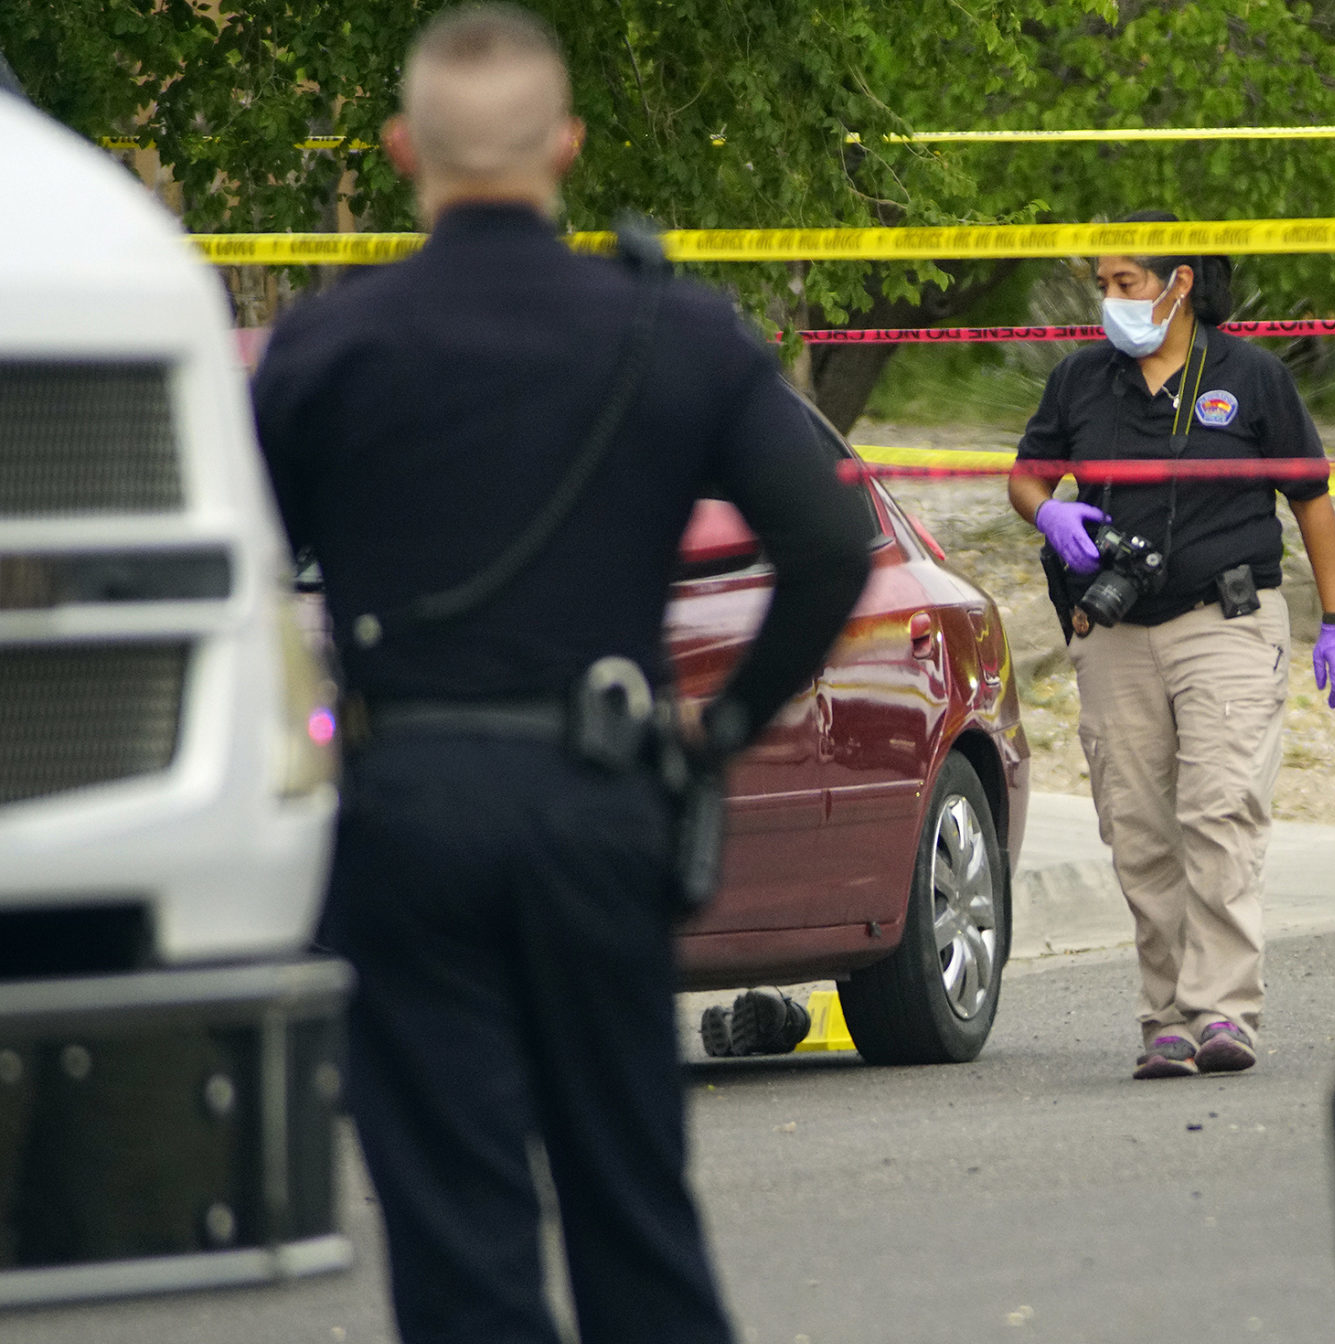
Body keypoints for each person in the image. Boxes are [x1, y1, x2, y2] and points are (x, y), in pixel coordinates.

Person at [251, 8, 875, 1342]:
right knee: (632, 1208)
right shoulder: (672, 332)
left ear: (403, 148)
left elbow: (236, 566)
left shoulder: (326, 346)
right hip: (599, 801)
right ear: (570, 148)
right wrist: (723, 732)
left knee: (457, 1232)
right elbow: (829, 541)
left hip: (404, 805)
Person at [1009, 216, 1335, 1080]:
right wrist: (1047, 510)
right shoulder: (1082, 380)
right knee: (1140, 827)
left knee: (1221, 810)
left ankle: (1224, 1012)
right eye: (1102, 285)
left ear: (1180, 284)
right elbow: (1027, 474)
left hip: (1228, 622)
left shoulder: (1253, 378)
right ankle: (1164, 1017)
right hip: (1116, 632)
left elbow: (1311, 499)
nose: (1109, 302)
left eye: (1125, 283)